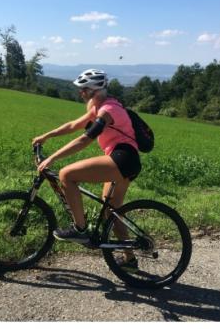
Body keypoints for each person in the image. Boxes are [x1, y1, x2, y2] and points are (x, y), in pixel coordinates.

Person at [32, 68, 141, 271]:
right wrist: (46, 136)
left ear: (95, 90)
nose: (81, 93)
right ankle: (130, 260)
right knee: (111, 212)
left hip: (122, 158)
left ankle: (80, 229)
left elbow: (84, 139)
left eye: (84, 89)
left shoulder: (108, 111)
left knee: (67, 174)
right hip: (126, 160)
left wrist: (53, 158)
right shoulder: (98, 107)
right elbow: (74, 125)